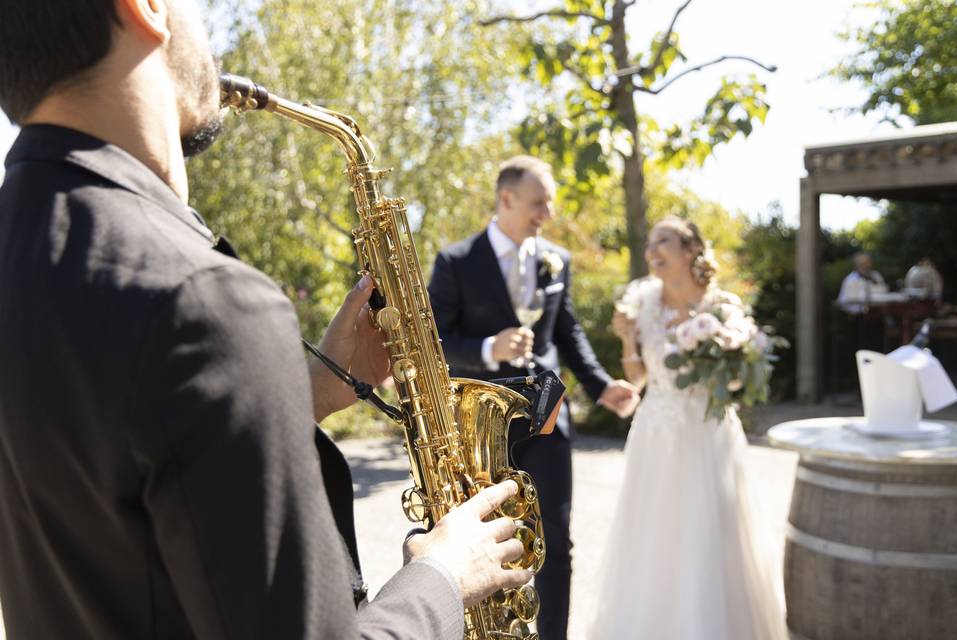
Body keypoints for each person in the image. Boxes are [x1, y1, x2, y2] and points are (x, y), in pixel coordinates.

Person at [0, 1, 532, 638]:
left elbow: (105, 473)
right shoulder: (199, 301)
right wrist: (444, 575)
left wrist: (291, 395)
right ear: (144, 9)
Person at [427, 155, 639, 639]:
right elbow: (435, 340)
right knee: (484, 543)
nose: (547, 213)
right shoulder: (456, 262)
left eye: (550, 202)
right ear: (506, 200)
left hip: (547, 413)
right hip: (483, 427)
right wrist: (488, 348)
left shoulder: (556, 259)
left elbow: (568, 332)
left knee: (556, 543)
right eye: (539, 202)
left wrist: (602, 386)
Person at [588, 217, 788, 640]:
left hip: (710, 432)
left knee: (712, 532)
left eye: (663, 241)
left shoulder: (723, 308)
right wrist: (626, 340)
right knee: (655, 537)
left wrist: (731, 362)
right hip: (656, 433)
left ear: (690, 250)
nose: (652, 250)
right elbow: (640, 379)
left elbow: (737, 382)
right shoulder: (642, 301)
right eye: (649, 242)